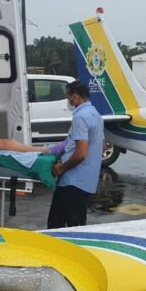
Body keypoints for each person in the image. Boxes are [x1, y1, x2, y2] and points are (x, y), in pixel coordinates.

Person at [48, 80, 104, 228]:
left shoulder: (80, 117)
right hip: (86, 181)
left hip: (72, 182)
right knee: (77, 224)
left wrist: (61, 168)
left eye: (68, 98)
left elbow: (80, 153)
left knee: (56, 226)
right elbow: (102, 146)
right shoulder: (96, 114)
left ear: (76, 97)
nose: (68, 101)